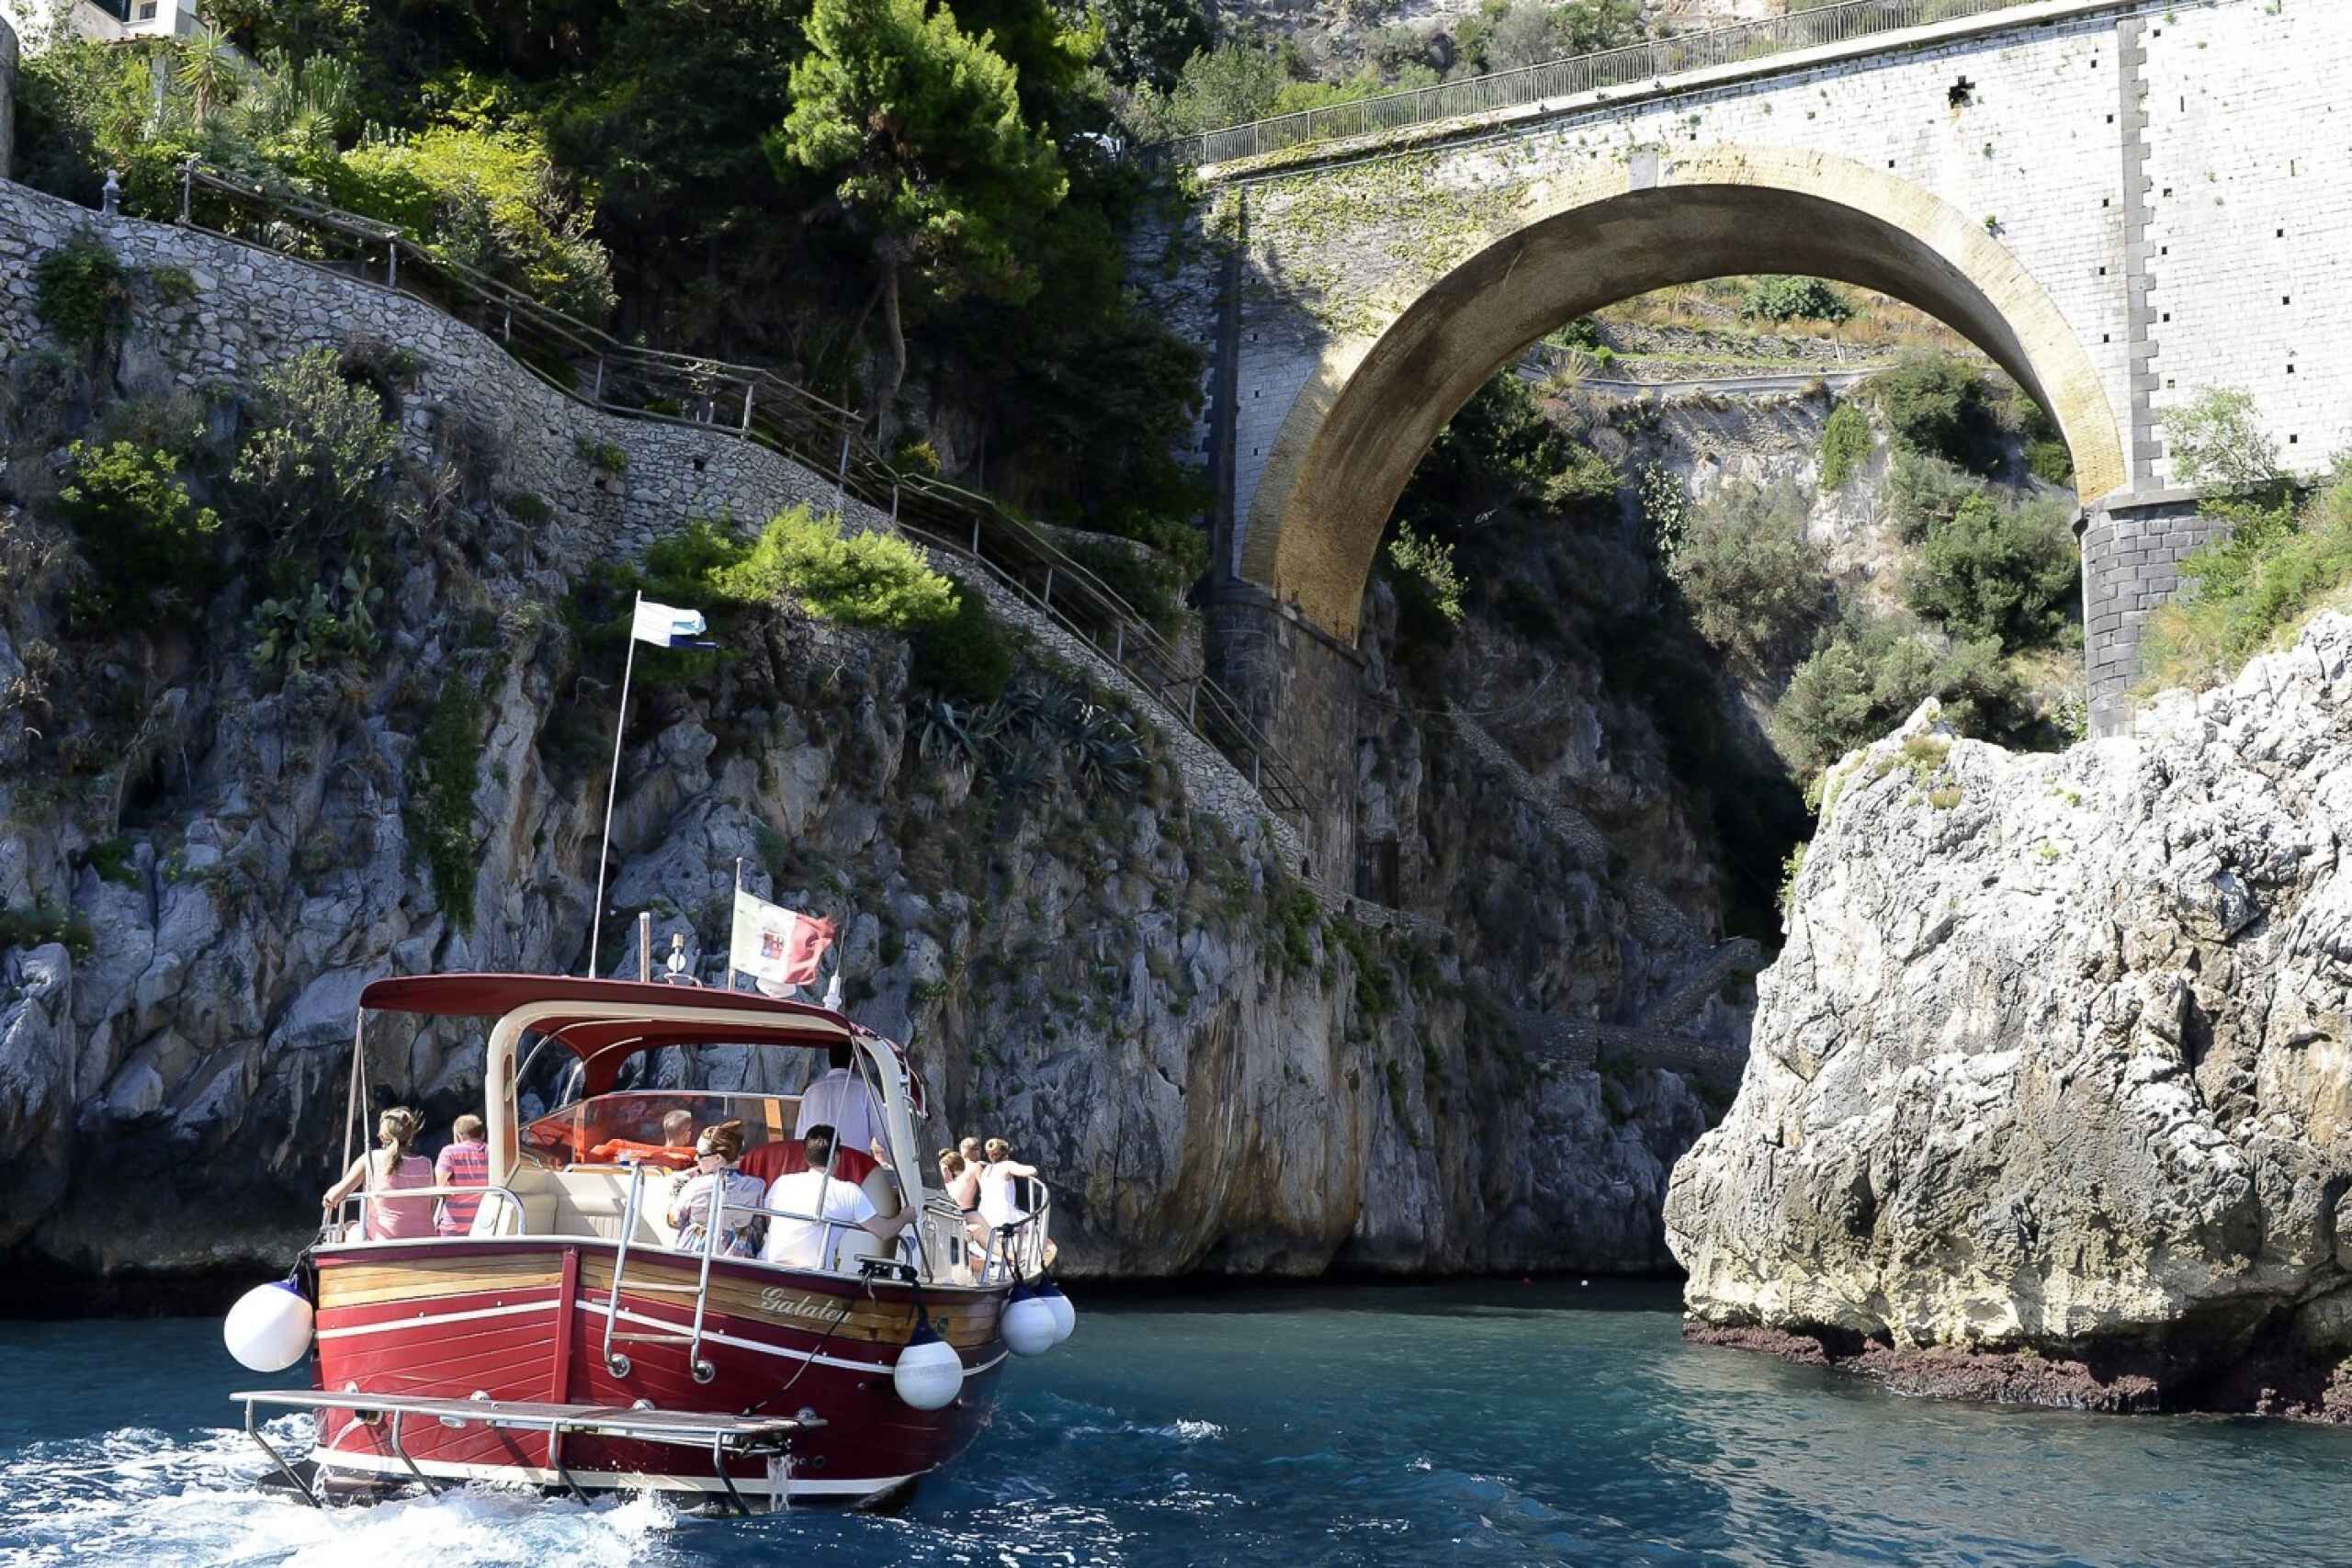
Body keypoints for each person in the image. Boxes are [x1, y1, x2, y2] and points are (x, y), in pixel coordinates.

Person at [763, 1124, 906, 1269]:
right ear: (837, 1157)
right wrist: (906, 1216)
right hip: (814, 1278)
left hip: (766, 1268)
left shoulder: (782, 1182)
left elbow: (769, 1220)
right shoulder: (849, 1192)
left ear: (806, 1156)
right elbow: (884, 1232)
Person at [322, 1108, 435, 1240]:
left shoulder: (370, 1159)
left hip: (385, 1240)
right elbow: (430, 1206)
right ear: (410, 1135)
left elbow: (336, 1195)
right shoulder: (426, 1163)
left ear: (382, 1136)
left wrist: (329, 1197)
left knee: (351, 1228)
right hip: (425, 1238)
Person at [667, 1122, 765, 1257]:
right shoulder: (756, 1186)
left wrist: (677, 1190)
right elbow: (759, 1228)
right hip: (737, 1259)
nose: (695, 1158)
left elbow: (675, 1221)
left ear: (718, 1158)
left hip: (696, 1255)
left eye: (700, 1155)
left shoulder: (696, 1185)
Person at [792, 1042, 876, 1150]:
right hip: (854, 1163)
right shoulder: (867, 1089)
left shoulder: (811, 1091)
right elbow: (884, 1135)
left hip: (817, 1161)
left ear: (829, 1061)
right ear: (854, 1062)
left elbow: (799, 1138)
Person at [434, 1113, 490, 1236]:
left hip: (453, 1226)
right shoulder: (492, 1152)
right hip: (486, 1225)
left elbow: (439, 1186)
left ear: (458, 1136)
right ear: (483, 1134)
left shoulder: (449, 1152)